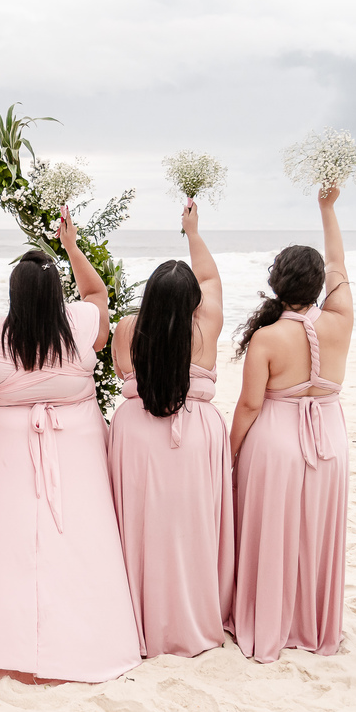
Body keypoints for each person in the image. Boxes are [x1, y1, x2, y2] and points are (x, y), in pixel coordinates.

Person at [0, 206, 140, 682]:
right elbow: (98, 292)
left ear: (13, 293)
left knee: (10, 546)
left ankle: (10, 644)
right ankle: (87, 636)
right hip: (73, 449)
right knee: (76, 540)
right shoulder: (79, 323)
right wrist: (72, 246)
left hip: (4, 458)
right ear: (58, 292)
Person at [229, 187, 352, 663]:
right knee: (316, 533)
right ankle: (311, 624)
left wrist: (230, 451)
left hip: (276, 441)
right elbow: (340, 265)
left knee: (272, 532)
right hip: (330, 441)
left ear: (276, 284)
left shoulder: (266, 338)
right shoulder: (342, 320)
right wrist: (328, 208)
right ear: (319, 285)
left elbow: (247, 407)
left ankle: (269, 621)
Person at [108, 199, 234, 659]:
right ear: (192, 302)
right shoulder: (208, 326)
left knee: (142, 530)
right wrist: (193, 231)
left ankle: (145, 621)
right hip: (195, 434)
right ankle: (193, 618)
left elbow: (127, 378)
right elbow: (212, 279)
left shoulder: (126, 328)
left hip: (138, 434)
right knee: (192, 528)